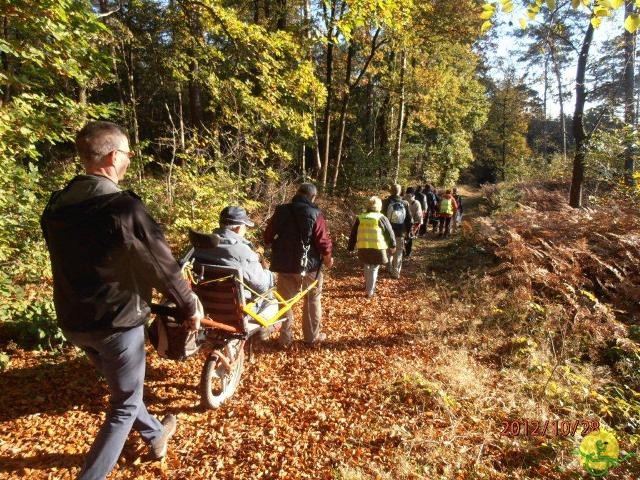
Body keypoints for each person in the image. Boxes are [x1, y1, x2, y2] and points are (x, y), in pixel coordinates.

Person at [40, 121, 203, 480]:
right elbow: (160, 265)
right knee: (123, 404)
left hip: (75, 322)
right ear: (114, 157)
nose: (129, 160)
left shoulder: (56, 206)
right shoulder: (121, 207)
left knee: (125, 392)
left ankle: (157, 434)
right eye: (128, 154)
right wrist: (189, 305)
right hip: (117, 324)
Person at [192, 206, 278, 338]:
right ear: (238, 228)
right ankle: (259, 331)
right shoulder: (242, 252)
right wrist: (270, 275)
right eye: (245, 227)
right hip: (236, 313)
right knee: (272, 301)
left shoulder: (200, 246)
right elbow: (262, 286)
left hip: (204, 310)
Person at [264, 183, 333, 346]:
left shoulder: (281, 210)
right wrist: (328, 258)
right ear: (313, 197)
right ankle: (311, 338)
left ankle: (284, 340)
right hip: (309, 267)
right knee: (312, 300)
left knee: (285, 301)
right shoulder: (316, 213)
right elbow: (323, 241)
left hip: (284, 265)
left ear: (297, 193)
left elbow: (267, 237)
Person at [347, 196, 396, 298]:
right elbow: (389, 233)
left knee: (367, 266)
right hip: (377, 248)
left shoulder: (360, 217)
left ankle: (368, 287)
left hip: (363, 247)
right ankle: (370, 291)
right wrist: (393, 245)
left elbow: (354, 233)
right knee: (374, 268)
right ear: (379, 206)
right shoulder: (381, 218)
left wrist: (350, 247)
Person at [382, 184, 411, 279]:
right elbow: (409, 219)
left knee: (388, 249)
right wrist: (408, 231)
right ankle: (396, 271)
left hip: (387, 231)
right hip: (400, 231)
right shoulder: (405, 203)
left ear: (390, 191)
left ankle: (388, 267)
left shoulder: (385, 202)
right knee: (398, 251)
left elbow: (381, 218)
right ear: (399, 191)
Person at [403, 187, 423, 258]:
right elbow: (418, 214)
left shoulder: (402, 200)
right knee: (410, 237)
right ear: (413, 194)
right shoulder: (416, 202)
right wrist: (419, 222)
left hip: (402, 223)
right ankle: (408, 253)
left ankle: (402, 251)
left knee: (402, 237)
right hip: (412, 223)